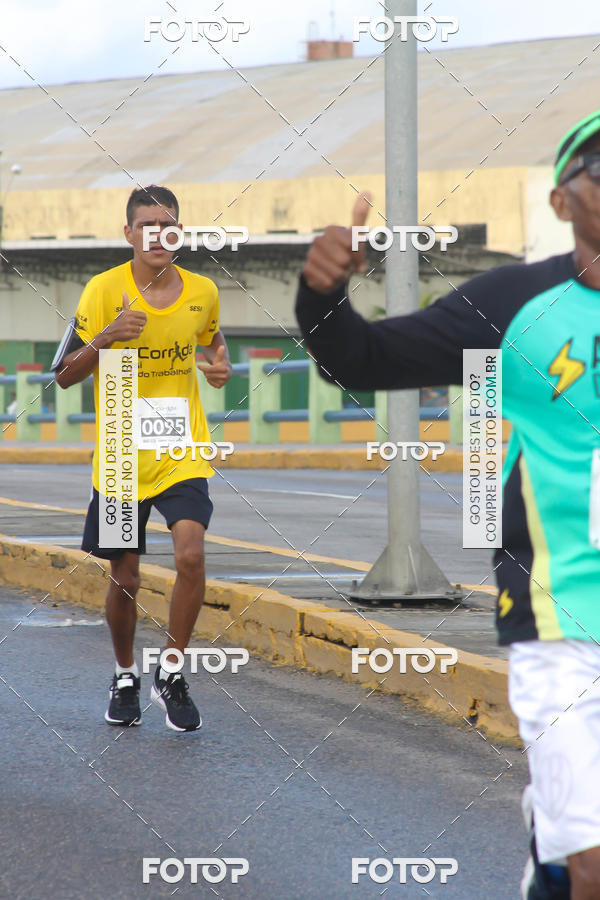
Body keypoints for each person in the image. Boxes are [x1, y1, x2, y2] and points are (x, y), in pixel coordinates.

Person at [295, 111, 600, 899]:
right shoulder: (515, 303)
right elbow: (366, 358)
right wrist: (323, 299)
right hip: (560, 615)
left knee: (574, 864)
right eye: (598, 164)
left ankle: (553, 861)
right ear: (563, 202)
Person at [55, 185, 232, 732]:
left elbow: (212, 341)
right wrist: (106, 337)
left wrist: (220, 365)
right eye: (148, 225)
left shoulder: (202, 291)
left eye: (170, 224)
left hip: (180, 449)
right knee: (125, 576)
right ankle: (126, 672)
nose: (160, 234)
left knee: (191, 556)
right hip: (120, 455)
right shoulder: (102, 291)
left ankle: (172, 671)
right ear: (129, 233)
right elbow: (63, 375)